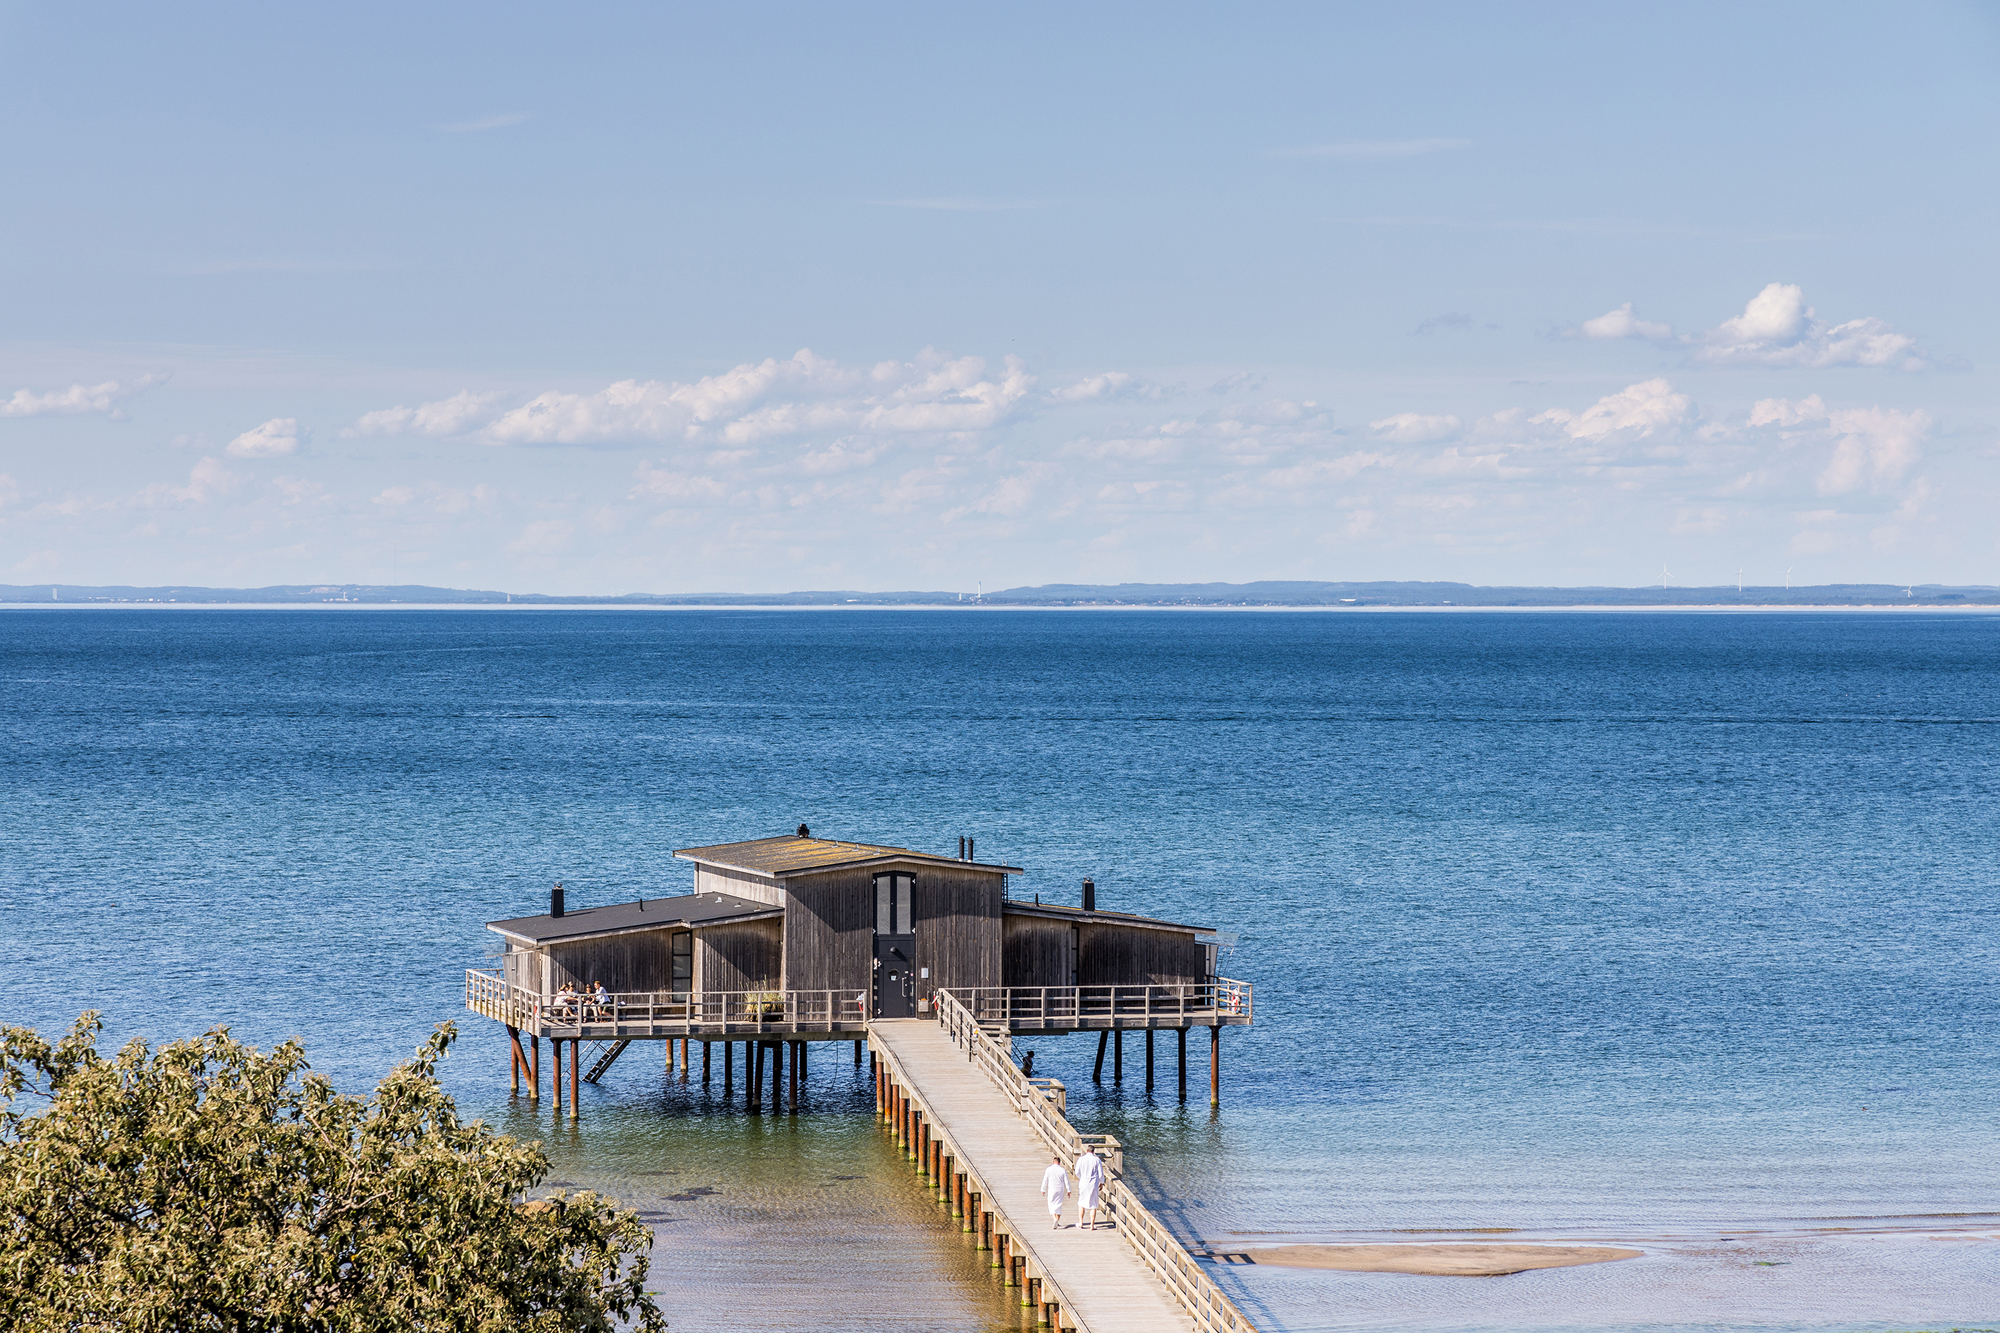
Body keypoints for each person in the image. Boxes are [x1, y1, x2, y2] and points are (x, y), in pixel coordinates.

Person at [1074, 1143, 1107, 1230]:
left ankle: (1080, 1223)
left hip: (1083, 1182)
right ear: (1093, 1151)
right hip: (1093, 1184)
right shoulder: (1097, 1159)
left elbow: (1077, 1171)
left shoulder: (1081, 1159)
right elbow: (1100, 1173)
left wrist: (1081, 1177)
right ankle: (1092, 1225)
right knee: (1093, 1205)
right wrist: (1102, 1182)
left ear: (1086, 1151)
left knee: (1081, 1203)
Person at [1040, 1154, 1070, 1230]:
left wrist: (1043, 1189)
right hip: (1060, 1189)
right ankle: (1057, 1219)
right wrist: (1069, 1190)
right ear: (1059, 1163)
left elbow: (1045, 1180)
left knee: (1051, 1203)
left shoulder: (1048, 1169)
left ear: (1053, 1162)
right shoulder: (1062, 1170)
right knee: (1058, 1204)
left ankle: (1054, 1219)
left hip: (1052, 1188)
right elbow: (1066, 1181)